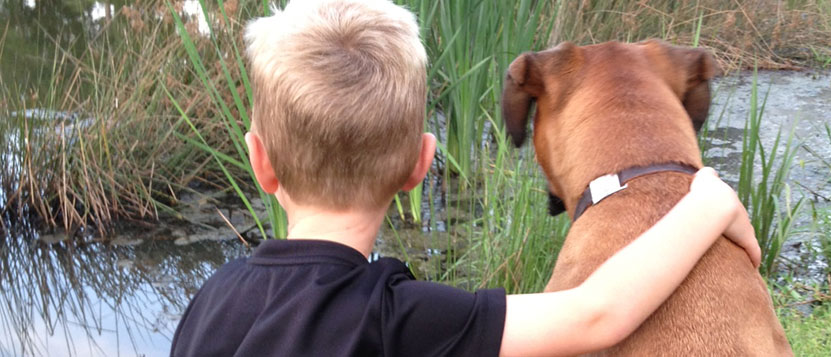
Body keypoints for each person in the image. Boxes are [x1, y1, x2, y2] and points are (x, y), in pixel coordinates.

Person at [169, 0, 762, 356]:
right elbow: (598, 312)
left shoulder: (209, 302)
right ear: (419, 165)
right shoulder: (401, 316)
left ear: (259, 160)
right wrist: (705, 202)